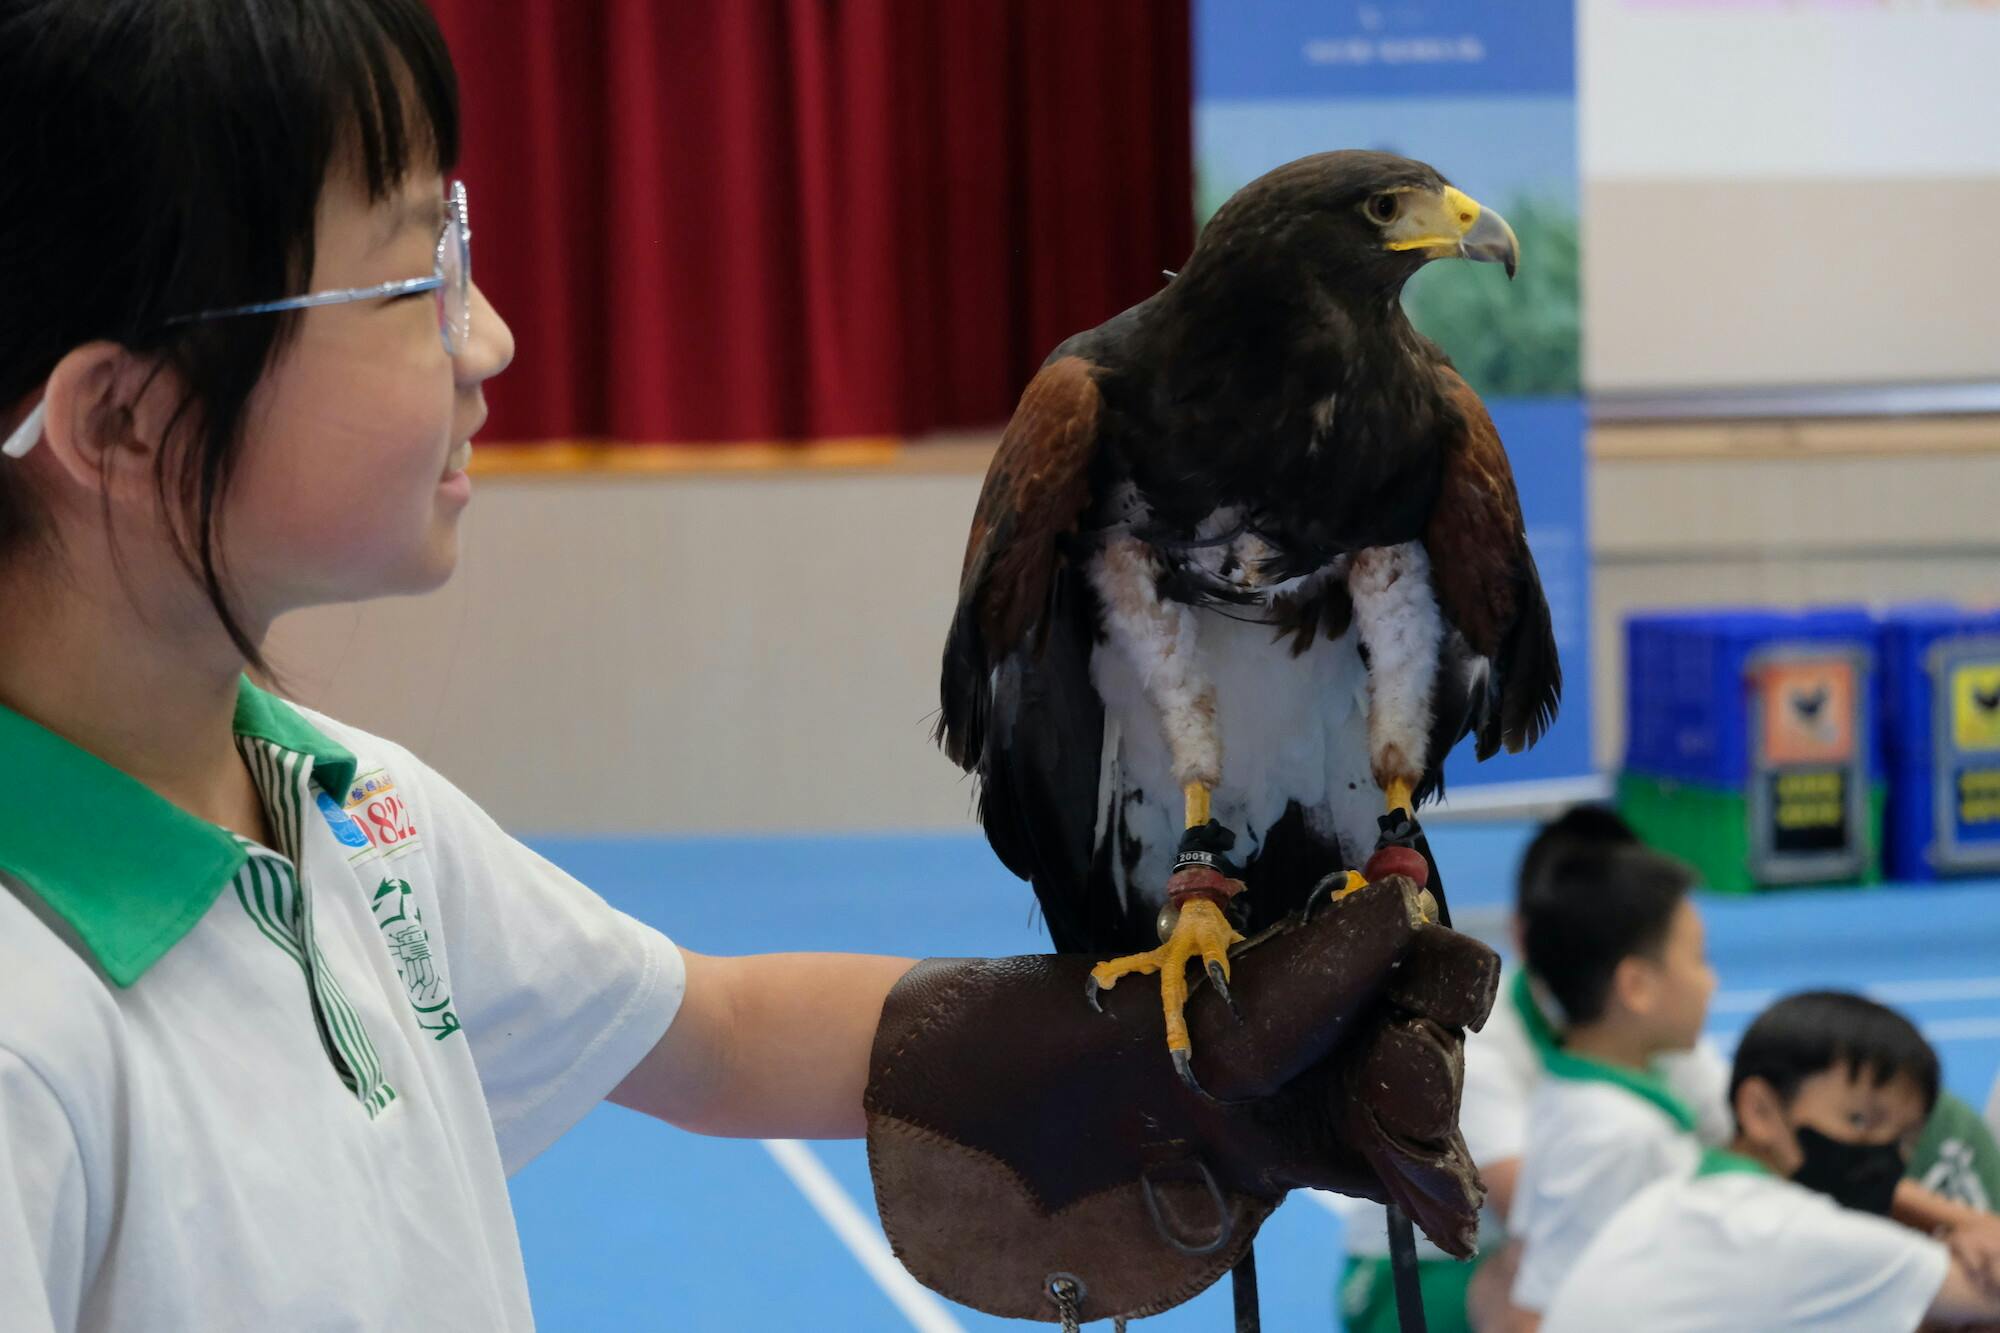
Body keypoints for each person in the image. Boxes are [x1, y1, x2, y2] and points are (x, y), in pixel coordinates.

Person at [0, 3, 1497, 1329]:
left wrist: (1159, 1062)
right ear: (122, 422)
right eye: (413, 282)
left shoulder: (346, 805)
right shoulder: (25, 1027)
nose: (495, 341)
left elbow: (702, 1034)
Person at [1332, 806, 1732, 1333]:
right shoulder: (1470, 1039)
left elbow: (1738, 1139)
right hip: (1421, 1275)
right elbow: (1534, 1209)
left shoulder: (1652, 1031)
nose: (1712, 981)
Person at [1543, 991, 2000, 1332]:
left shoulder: (1668, 1199)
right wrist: (1974, 1231)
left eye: (1904, 1138)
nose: (1882, 1154)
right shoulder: (1793, 1234)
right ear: (1760, 1111)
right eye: (1859, 1119)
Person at [1503, 841, 1718, 1329]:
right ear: (1637, 987)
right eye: (1699, 960)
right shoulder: (1613, 1137)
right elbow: (1538, 1311)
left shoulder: (1599, 1098)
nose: (1711, 982)